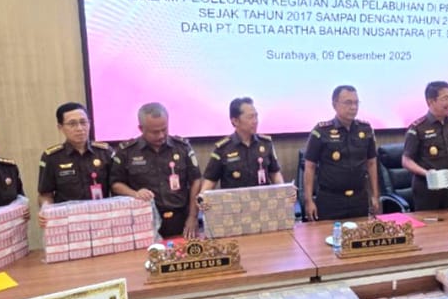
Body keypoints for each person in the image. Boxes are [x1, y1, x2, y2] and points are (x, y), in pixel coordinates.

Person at [110, 102, 201, 238]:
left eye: (164, 129)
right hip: (144, 221)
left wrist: (193, 216)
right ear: (141, 129)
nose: (161, 135)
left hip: (181, 219)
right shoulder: (126, 152)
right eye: (155, 132)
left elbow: (196, 181)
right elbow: (115, 184)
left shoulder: (182, 147)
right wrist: (135, 193)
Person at [303, 85, 381, 221]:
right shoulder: (321, 131)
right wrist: (308, 200)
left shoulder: (366, 129)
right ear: (335, 105)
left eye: (356, 103)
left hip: (359, 198)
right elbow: (309, 167)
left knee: (359, 233)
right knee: (328, 234)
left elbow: (371, 163)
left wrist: (375, 195)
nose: (353, 107)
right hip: (331, 200)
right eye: (348, 103)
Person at [37, 102, 113, 227]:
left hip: (102, 221)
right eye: (72, 124)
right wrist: (46, 210)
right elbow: (45, 194)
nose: (80, 128)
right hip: (69, 223)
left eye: (83, 122)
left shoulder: (105, 152)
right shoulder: (52, 157)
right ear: (60, 127)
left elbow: (116, 187)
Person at [401, 81, 448, 210]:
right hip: (427, 189)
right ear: (431, 101)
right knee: (429, 222)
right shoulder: (418, 128)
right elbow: (406, 161)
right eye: (445, 98)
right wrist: (427, 174)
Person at [200, 97, 284, 192]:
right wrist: (203, 197)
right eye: (250, 117)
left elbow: (275, 174)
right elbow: (210, 182)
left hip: (262, 199)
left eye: (256, 116)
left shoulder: (266, 144)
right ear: (235, 121)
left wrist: (284, 192)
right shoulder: (222, 149)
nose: (255, 121)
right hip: (234, 201)